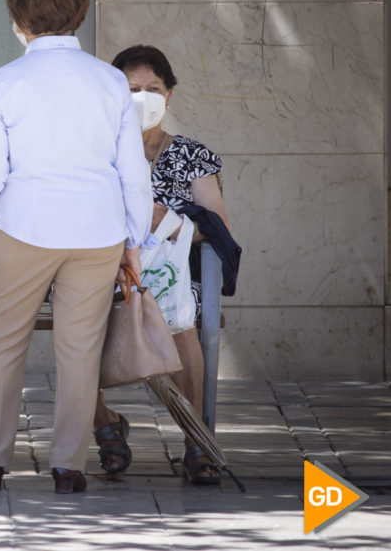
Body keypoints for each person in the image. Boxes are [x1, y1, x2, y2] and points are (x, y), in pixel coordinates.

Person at [0, 0, 153, 494]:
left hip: (25, 226)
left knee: (0, 343)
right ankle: (70, 464)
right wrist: (134, 240)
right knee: (80, 347)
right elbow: (132, 173)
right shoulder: (110, 82)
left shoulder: (4, 81)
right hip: (98, 231)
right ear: (81, 9)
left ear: (17, 15)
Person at [92, 44, 232, 486]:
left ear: (169, 95)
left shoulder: (190, 155)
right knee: (76, 309)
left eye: (153, 88)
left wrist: (168, 221)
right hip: (103, 269)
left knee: (182, 316)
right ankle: (105, 428)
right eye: (132, 89)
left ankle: (195, 440)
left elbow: (221, 230)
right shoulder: (95, 153)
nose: (143, 98)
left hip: (171, 276)